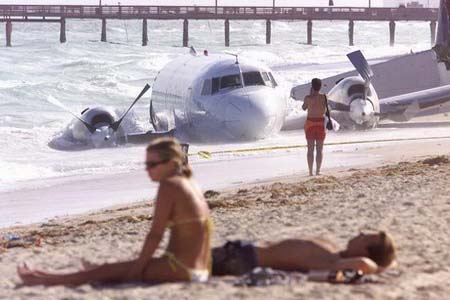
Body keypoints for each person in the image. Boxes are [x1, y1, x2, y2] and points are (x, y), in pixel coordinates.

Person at [18, 138, 212, 286]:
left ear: (171, 164)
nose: (148, 170)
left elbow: (155, 236)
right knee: (109, 270)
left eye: (153, 165)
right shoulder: (189, 183)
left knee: (105, 271)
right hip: (199, 269)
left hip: (182, 269)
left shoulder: (169, 186)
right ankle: (46, 275)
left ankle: (41, 279)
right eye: (146, 165)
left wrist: (136, 271)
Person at [212, 231, 396, 276]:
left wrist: (380, 265)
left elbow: (366, 265)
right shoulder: (334, 252)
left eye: (366, 237)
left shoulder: (332, 261)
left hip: (242, 259)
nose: (361, 233)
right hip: (241, 250)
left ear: (364, 251)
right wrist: (387, 261)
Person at [302, 78, 328, 176]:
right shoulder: (324, 97)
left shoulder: (308, 98)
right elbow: (326, 109)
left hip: (310, 124)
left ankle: (310, 172)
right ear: (320, 86)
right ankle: (318, 171)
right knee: (319, 149)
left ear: (312, 86)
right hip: (320, 123)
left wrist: (310, 93)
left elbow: (304, 108)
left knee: (310, 149)